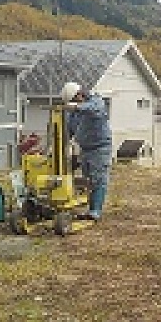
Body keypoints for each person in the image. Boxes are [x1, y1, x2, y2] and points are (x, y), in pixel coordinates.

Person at [60, 81, 112, 221]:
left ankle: (96, 211)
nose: (74, 103)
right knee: (87, 180)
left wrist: (77, 106)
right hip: (85, 148)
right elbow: (68, 131)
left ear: (80, 94)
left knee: (98, 179)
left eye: (74, 100)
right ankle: (90, 209)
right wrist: (61, 146)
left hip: (100, 148)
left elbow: (95, 109)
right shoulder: (73, 113)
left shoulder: (96, 101)